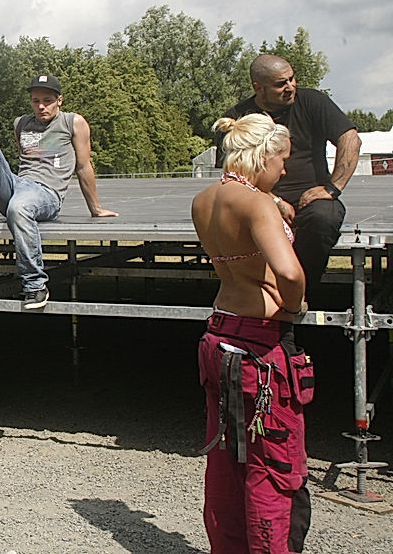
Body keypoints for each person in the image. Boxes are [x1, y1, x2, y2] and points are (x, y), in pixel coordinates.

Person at [193, 113, 312, 554]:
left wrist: (274, 205)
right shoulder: (256, 202)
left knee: (226, 462)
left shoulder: (205, 198)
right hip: (260, 345)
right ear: (262, 155)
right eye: (282, 160)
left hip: (219, 332)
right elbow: (288, 271)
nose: (284, 170)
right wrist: (295, 303)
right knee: (271, 465)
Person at [0, 74, 117, 309]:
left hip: (46, 194)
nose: (41, 106)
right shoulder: (20, 123)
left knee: (19, 207)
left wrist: (96, 208)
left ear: (59, 100)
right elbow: (24, 160)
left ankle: (35, 285)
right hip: (18, 185)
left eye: (47, 100)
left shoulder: (73, 122)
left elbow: (83, 166)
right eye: (35, 101)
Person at [217, 54, 359, 293]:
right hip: (258, 199)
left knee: (324, 218)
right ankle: (255, 293)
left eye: (292, 79)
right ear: (258, 88)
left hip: (310, 199)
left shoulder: (313, 101)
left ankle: (302, 290)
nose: (290, 86)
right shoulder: (237, 119)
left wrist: (332, 188)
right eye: (281, 84)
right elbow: (233, 173)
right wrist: (273, 201)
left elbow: (350, 139)